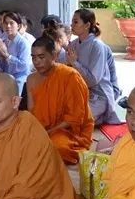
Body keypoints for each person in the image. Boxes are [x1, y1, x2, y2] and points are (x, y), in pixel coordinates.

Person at [26, 36, 94, 164]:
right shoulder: (31, 79)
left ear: (54, 55)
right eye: (34, 58)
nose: (37, 62)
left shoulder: (70, 76)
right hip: (41, 128)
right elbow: (32, 112)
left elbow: (74, 118)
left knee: (57, 148)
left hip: (66, 131)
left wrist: (47, 133)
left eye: (41, 57)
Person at [67, 9, 121, 125]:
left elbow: (93, 80)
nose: (71, 25)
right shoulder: (74, 44)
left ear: (87, 25)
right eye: (72, 21)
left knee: (76, 120)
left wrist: (75, 63)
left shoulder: (97, 46)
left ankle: (101, 116)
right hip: (79, 93)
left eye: (75, 22)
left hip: (99, 95)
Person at [0, 12, 32, 94]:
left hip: (19, 81)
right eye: (5, 23)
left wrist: (7, 56)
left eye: (11, 23)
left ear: (18, 26)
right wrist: (0, 57)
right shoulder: (3, 41)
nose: (8, 26)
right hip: (6, 80)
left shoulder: (23, 43)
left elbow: (24, 65)